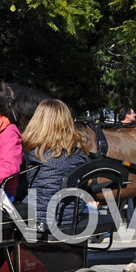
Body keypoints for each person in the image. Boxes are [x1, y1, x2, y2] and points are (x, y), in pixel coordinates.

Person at [20, 98, 89, 231]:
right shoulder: (80, 153)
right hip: (71, 216)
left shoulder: (32, 153)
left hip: (38, 218)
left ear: (38, 122)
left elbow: (21, 187)